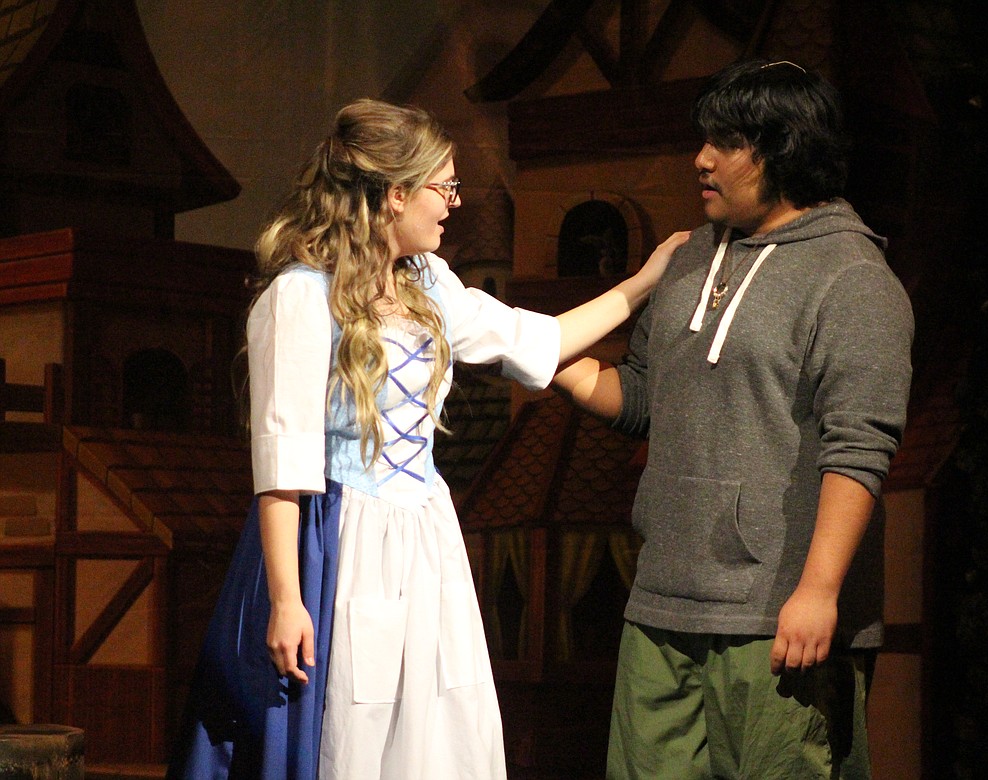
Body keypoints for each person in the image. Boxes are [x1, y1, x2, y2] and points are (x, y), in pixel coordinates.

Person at [167, 98, 688, 780]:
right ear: (393, 195)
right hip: (342, 541)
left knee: (438, 734)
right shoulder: (301, 298)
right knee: (354, 727)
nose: (454, 203)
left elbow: (539, 341)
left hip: (425, 537)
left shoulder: (428, 287)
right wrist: (289, 600)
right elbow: (283, 464)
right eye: (444, 186)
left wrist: (646, 280)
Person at [553, 60, 914, 778]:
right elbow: (648, 395)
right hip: (663, 598)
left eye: (725, 142)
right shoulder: (690, 260)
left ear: (782, 150)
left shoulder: (853, 278)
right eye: (703, 138)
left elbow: (860, 447)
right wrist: (548, 362)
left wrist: (818, 592)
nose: (701, 158)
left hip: (775, 615)